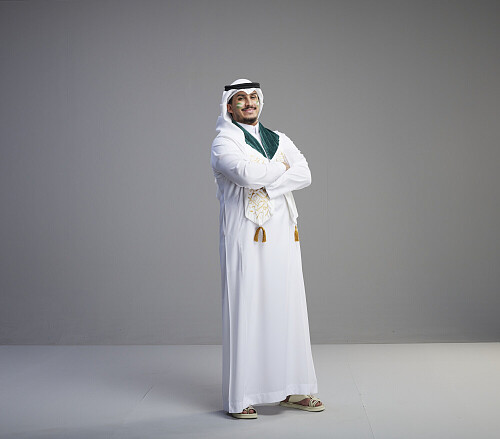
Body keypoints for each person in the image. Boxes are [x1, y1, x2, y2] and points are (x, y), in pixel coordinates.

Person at [211, 79, 325, 419]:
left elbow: (305, 174)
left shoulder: (279, 138)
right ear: (229, 106)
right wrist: (280, 168)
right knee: (247, 307)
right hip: (245, 235)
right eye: (241, 99)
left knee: (287, 305)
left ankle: (294, 389)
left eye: (253, 97)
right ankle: (241, 397)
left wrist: (268, 180)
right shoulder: (223, 141)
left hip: (283, 233)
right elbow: (245, 175)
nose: (249, 103)